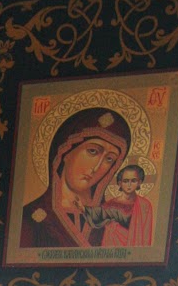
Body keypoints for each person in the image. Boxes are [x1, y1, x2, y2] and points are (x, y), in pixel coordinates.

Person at [18, 105, 131, 251]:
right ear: (66, 152)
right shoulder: (30, 218)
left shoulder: (111, 220)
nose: (96, 167)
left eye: (109, 159)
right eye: (92, 151)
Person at [101, 162, 155, 249]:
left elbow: (146, 235)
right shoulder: (109, 206)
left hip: (136, 251)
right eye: (125, 181)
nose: (129, 185)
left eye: (133, 181)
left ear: (139, 182)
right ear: (120, 183)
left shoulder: (145, 205)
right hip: (113, 252)